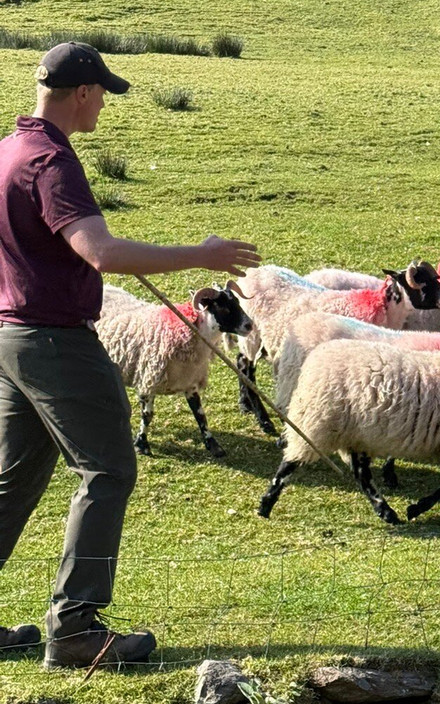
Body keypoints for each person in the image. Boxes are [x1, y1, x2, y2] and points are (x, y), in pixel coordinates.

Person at [0, 42, 261, 668]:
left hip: (10, 336)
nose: (103, 108)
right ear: (83, 93)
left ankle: (70, 626)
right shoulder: (51, 162)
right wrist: (201, 254)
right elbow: (103, 253)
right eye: (102, 95)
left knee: (12, 480)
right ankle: (76, 629)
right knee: (109, 469)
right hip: (56, 339)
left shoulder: (10, 151)